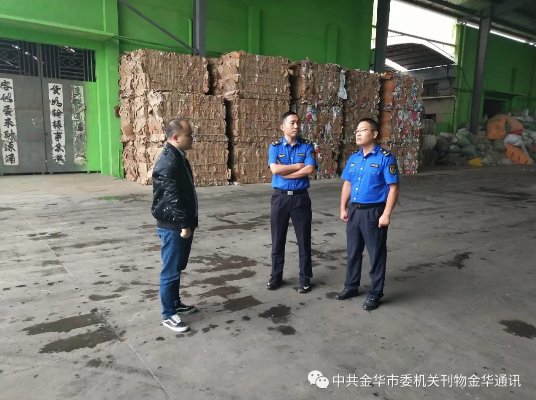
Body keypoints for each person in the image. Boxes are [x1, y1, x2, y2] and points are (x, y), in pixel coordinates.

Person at [336, 118, 400, 310]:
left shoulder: (385, 157)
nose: (358, 133)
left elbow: (393, 188)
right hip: (354, 211)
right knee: (353, 252)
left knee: (376, 254)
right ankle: (351, 286)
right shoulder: (354, 158)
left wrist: (386, 214)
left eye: (363, 130)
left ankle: (375, 294)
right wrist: (343, 207)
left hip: (374, 212)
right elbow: (347, 184)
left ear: (374, 134)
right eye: (357, 130)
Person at [151, 118, 199, 332]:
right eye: (189, 135)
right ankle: (168, 314)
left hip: (181, 223)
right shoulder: (168, 161)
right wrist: (184, 225)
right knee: (170, 270)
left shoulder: (178, 157)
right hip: (173, 226)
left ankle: (175, 303)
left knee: (177, 267)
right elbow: (173, 198)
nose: (192, 138)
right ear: (176, 137)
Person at [267, 111, 318, 293]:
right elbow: (274, 169)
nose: (296, 126)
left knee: (304, 240)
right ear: (282, 127)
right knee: (277, 239)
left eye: (298, 122)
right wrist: (297, 166)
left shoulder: (307, 146)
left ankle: (305, 278)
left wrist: (286, 173)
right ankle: (276, 276)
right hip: (280, 198)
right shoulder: (275, 147)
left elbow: (309, 169)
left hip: (300, 198)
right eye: (292, 123)